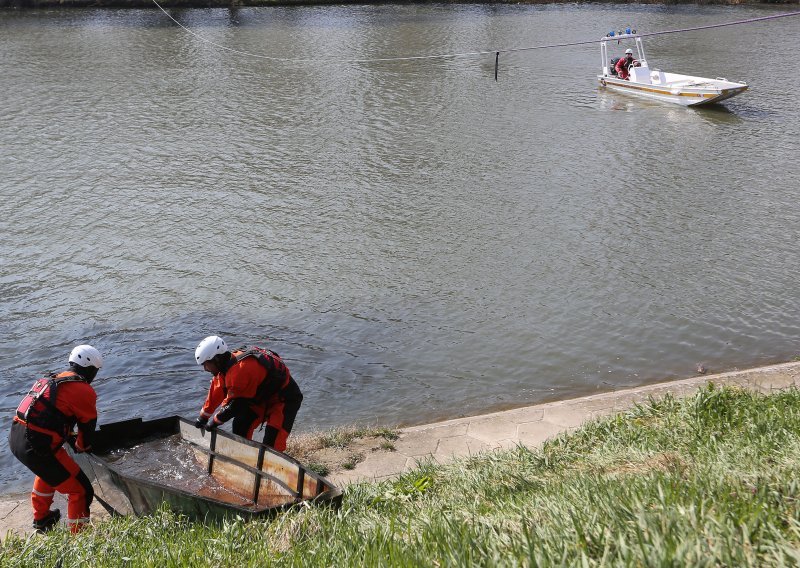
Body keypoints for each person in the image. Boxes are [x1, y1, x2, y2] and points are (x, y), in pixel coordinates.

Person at [8, 345, 102, 534]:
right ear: (91, 369)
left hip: (17, 438)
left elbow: (49, 417)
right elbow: (87, 429)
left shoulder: (52, 379)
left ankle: (42, 518)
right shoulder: (83, 390)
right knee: (82, 491)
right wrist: (81, 446)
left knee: (48, 472)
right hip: (36, 446)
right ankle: (80, 537)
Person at [193, 336, 303, 452]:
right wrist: (203, 417)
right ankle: (245, 457)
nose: (205, 369)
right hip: (260, 398)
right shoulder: (224, 369)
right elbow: (216, 392)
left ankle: (269, 465)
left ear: (217, 359)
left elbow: (234, 406)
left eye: (206, 364)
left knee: (272, 445)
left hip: (284, 400)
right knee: (240, 426)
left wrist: (214, 422)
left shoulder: (240, 371)